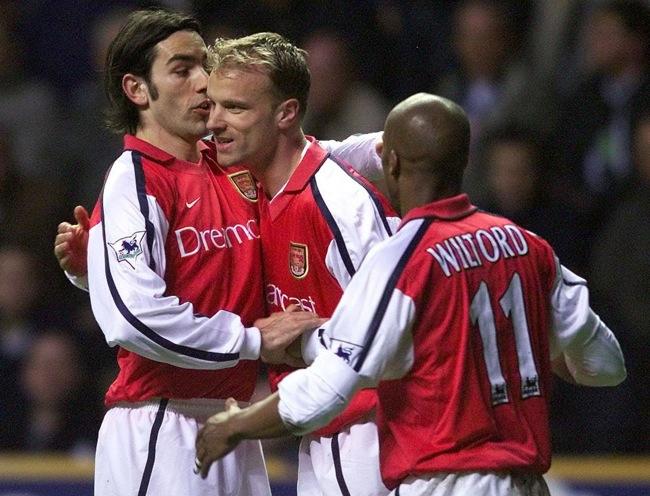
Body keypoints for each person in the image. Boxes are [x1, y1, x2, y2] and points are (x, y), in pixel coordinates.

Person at [194, 93, 627, 495]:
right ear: (465, 161)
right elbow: (606, 366)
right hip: (527, 482)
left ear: (390, 162)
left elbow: (324, 394)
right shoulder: (528, 245)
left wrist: (235, 425)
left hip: (443, 482)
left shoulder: (401, 259)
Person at [53, 10, 385, 495]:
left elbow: (308, 154)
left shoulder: (228, 161)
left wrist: (391, 144)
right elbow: (131, 319)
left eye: (203, 65)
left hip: (234, 421)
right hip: (160, 427)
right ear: (137, 90)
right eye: (182, 69)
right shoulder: (137, 177)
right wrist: (252, 340)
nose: (204, 83)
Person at [205, 32, 399, 495]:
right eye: (212, 105)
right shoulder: (255, 183)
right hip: (321, 430)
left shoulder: (340, 205)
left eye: (235, 108)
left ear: (286, 113)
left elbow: (394, 331)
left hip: (368, 434)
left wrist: (307, 342)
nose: (214, 122)